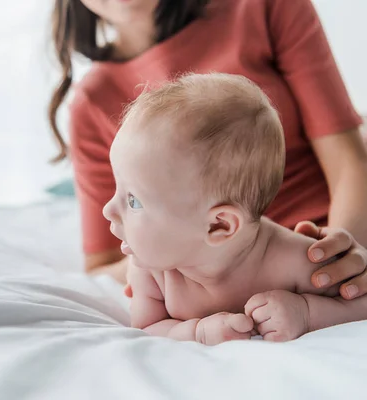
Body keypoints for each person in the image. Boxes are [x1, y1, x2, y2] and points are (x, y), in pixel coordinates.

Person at [49, 0, 367, 299]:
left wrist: (338, 257)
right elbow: (103, 264)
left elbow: (349, 162)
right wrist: (189, 261)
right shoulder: (91, 102)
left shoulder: (263, 7)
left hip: (329, 241)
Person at [105, 73, 367, 344]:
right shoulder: (150, 270)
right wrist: (198, 332)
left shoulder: (296, 261)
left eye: (134, 200)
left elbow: (361, 302)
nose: (109, 210)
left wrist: (307, 313)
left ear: (219, 225)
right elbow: (148, 327)